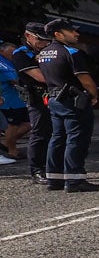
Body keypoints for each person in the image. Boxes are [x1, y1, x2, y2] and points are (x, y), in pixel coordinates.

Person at [36, 19, 99, 192]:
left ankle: (54, 178)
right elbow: (85, 79)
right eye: (71, 31)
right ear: (58, 34)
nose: (76, 34)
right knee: (76, 139)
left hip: (54, 98)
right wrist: (94, 95)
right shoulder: (72, 52)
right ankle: (75, 180)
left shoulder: (44, 53)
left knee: (57, 138)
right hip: (73, 100)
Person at [14, 23, 52, 184]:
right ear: (28, 36)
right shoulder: (21, 54)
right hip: (37, 97)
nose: (45, 44)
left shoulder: (46, 51)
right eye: (41, 40)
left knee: (56, 133)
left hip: (54, 96)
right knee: (40, 133)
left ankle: (53, 168)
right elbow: (42, 77)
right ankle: (37, 169)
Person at [0, 41, 28, 165]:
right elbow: (14, 81)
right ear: (2, 51)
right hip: (8, 101)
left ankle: (6, 143)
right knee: (12, 125)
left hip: (18, 100)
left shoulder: (11, 62)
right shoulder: (2, 63)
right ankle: (12, 150)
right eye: (11, 52)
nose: (13, 54)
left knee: (29, 123)